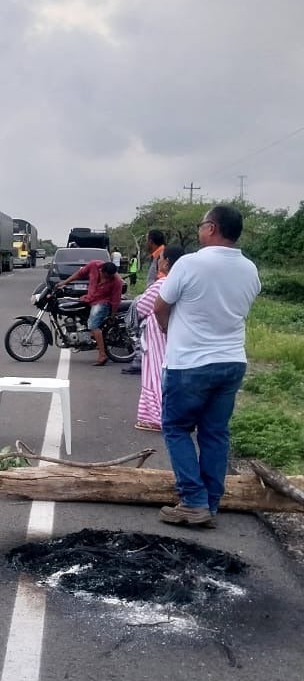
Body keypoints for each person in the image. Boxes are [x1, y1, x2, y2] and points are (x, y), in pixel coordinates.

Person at [154, 205, 260, 527]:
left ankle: (193, 501)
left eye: (202, 225)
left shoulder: (189, 263)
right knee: (215, 433)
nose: (200, 229)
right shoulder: (250, 269)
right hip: (232, 361)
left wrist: (167, 330)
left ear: (211, 228)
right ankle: (211, 502)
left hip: (190, 363)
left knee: (176, 428)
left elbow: (160, 306)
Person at [132, 244, 185, 431]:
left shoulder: (162, 284)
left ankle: (156, 418)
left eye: (160, 258)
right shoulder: (186, 283)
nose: (158, 261)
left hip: (159, 336)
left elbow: (141, 308)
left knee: (155, 375)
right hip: (179, 336)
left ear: (167, 263)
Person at [55, 256, 123, 365]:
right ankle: (87, 336)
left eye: (109, 277)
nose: (107, 279)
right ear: (101, 270)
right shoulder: (93, 265)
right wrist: (65, 282)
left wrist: (113, 315)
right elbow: (79, 274)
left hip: (102, 302)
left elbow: (116, 300)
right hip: (89, 299)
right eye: (106, 276)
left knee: (92, 325)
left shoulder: (116, 281)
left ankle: (102, 354)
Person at [122, 229, 166, 375]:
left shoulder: (162, 256)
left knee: (136, 321)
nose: (146, 243)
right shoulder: (158, 255)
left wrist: (150, 295)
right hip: (155, 294)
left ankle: (139, 359)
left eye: (147, 240)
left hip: (157, 296)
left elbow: (162, 279)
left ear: (151, 241)